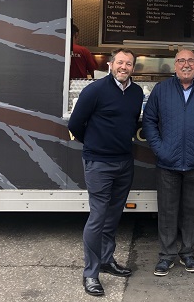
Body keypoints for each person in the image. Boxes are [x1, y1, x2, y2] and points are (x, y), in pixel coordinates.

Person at [67, 48, 143, 297]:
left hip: (124, 163)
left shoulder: (136, 92)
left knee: (113, 216)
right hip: (99, 163)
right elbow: (75, 124)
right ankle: (90, 274)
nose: (124, 67)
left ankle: (107, 260)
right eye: (120, 62)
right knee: (98, 217)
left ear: (133, 67)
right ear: (110, 64)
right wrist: (94, 144)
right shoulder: (95, 90)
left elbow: (132, 123)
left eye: (128, 64)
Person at [142, 49, 194, 277]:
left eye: (190, 61)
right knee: (167, 212)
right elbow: (149, 121)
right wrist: (160, 149)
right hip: (167, 162)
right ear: (174, 65)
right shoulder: (162, 90)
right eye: (181, 61)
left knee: (192, 212)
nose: (186, 65)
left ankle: (188, 253)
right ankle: (166, 256)